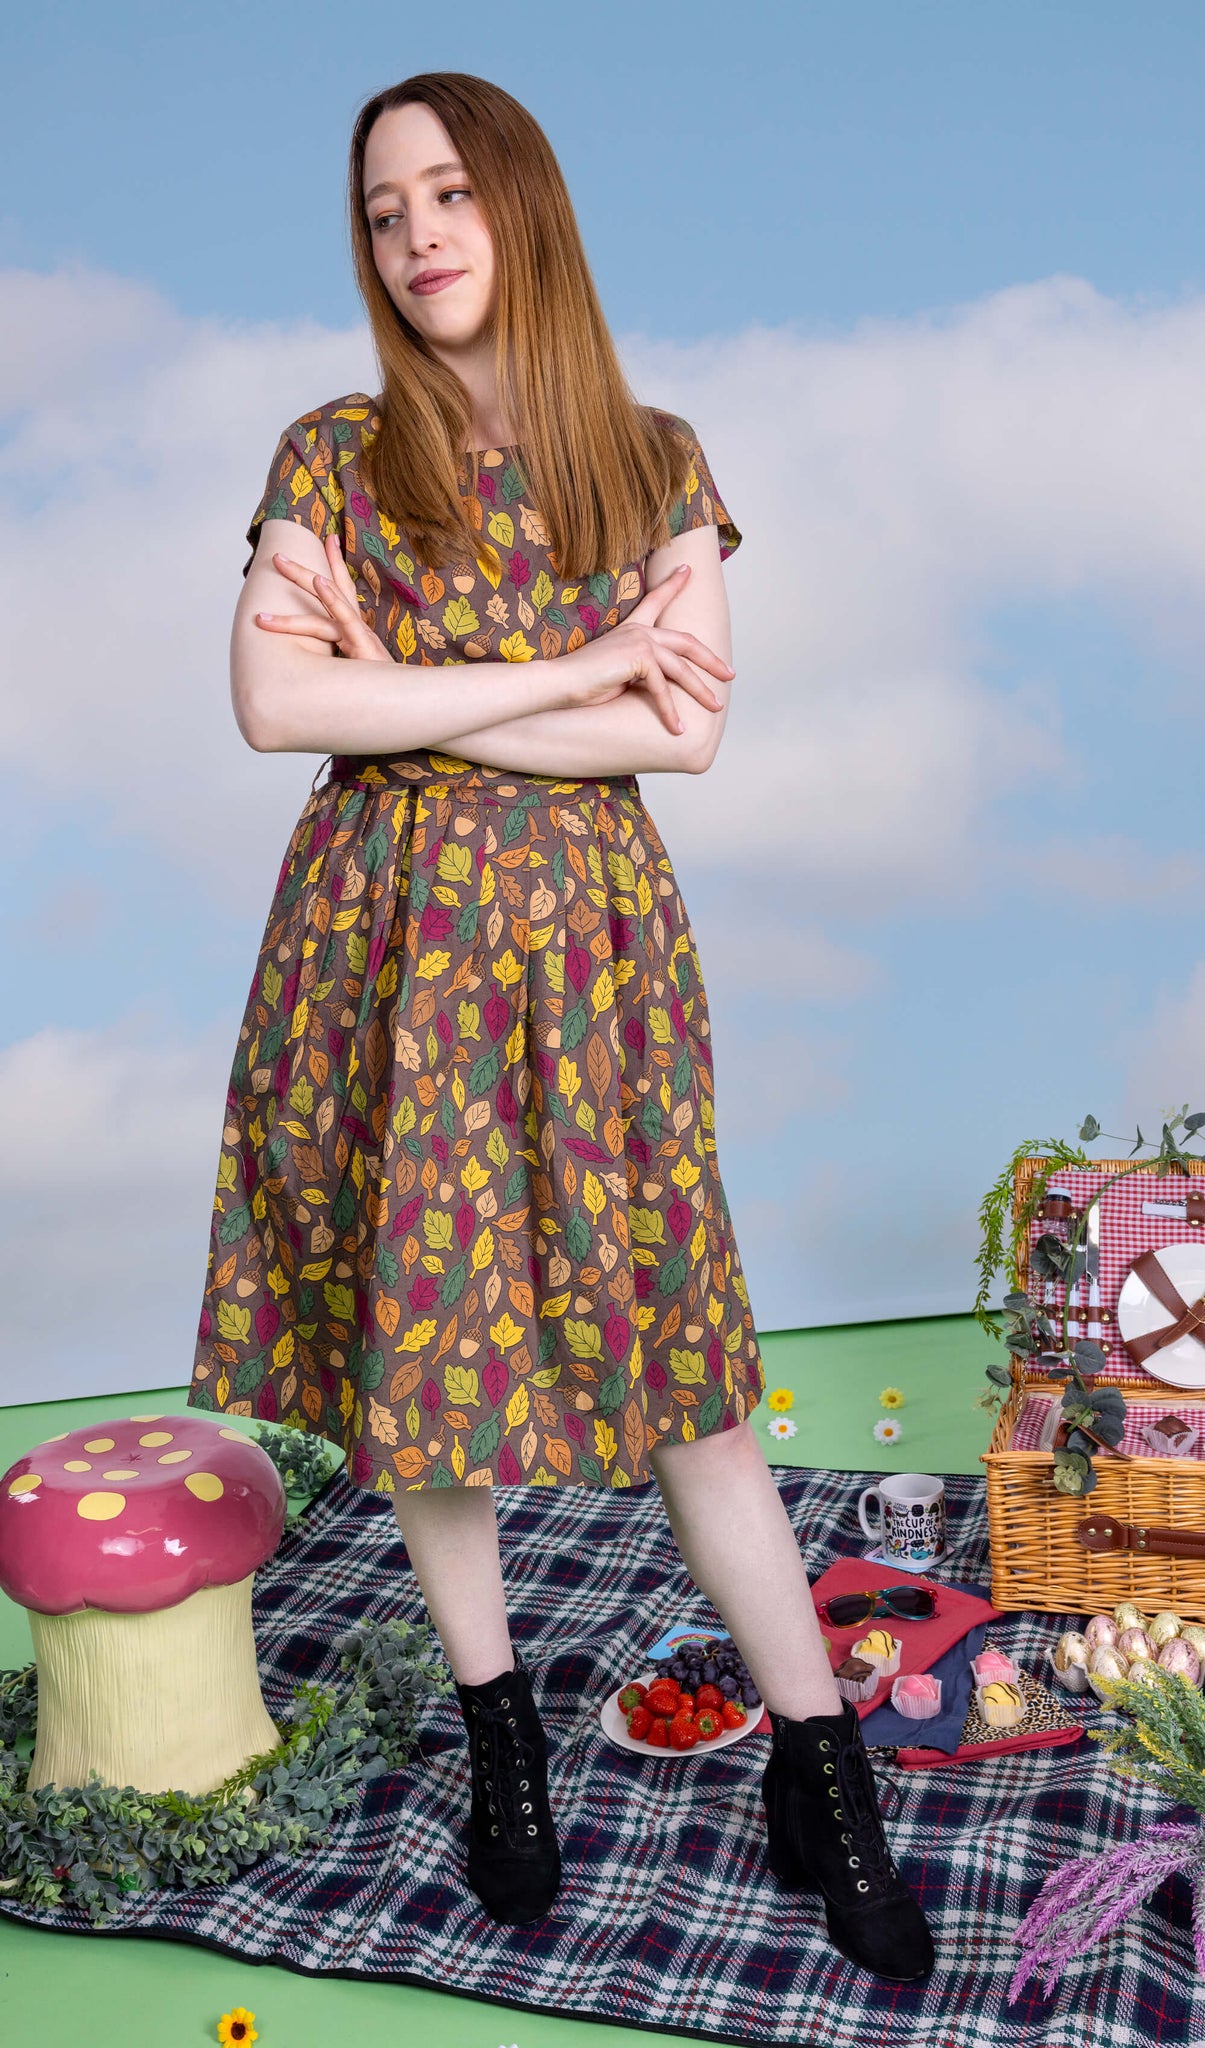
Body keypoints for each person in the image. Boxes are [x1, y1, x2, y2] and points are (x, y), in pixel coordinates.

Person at [186, 71, 934, 1984]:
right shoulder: (336, 449)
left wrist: (412, 687)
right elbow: (277, 715)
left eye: (450, 191)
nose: (419, 233)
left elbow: (680, 734)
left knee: (675, 1344)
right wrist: (583, 658)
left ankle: (812, 1750)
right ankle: (501, 1721)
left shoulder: (653, 458)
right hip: (383, 942)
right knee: (425, 1354)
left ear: (520, 204)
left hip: (587, 952)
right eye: (381, 211)